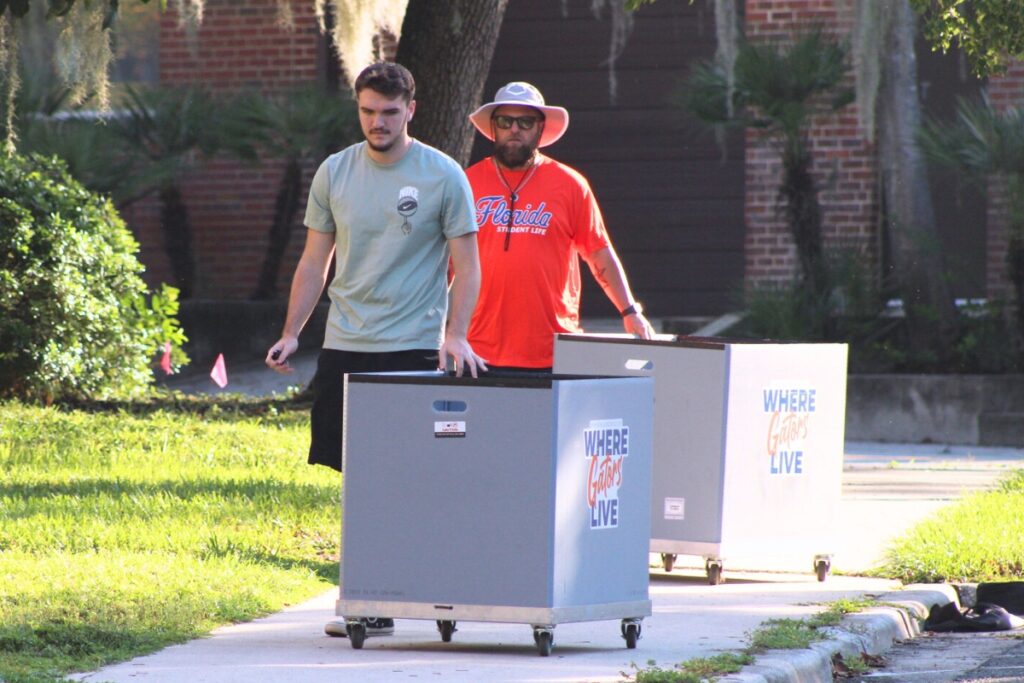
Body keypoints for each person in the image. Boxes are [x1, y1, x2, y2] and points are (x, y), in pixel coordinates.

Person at [265, 61, 486, 638]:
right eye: (367, 111)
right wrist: (293, 332)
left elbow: (468, 266)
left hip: (412, 348)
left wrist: (455, 335)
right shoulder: (336, 172)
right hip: (345, 344)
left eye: (389, 112)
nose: (377, 122)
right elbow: (316, 262)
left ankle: (426, 589)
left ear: (410, 110)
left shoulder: (442, 175)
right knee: (357, 476)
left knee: (409, 476)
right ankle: (373, 599)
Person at [465, 82, 654, 371]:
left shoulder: (570, 185)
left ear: (540, 128)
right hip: (477, 351)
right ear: (493, 127)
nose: (514, 129)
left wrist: (630, 311)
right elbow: (444, 263)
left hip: (553, 352)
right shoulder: (466, 183)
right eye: (505, 121)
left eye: (525, 121)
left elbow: (599, 253)